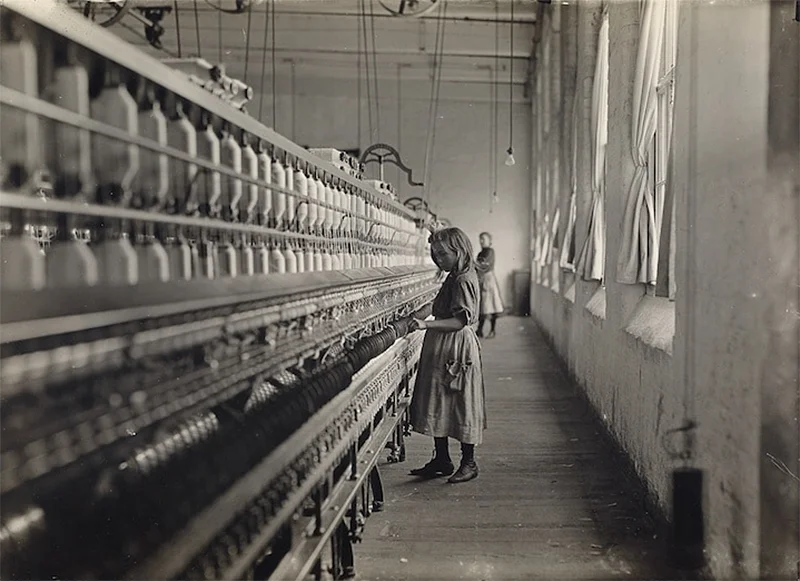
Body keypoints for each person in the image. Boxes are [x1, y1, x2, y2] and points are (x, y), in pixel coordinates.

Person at [408, 227, 486, 484]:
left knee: (461, 401)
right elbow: (441, 305)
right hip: (442, 345)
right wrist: (420, 312)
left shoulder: (464, 279)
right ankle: (441, 459)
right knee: (438, 400)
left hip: (455, 345)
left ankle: (469, 462)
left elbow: (460, 321)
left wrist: (425, 325)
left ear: (459, 250)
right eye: (434, 254)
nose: (438, 259)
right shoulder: (455, 275)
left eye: (443, 254)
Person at [475, 232, 504, 338]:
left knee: (491, 305)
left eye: (483, 239)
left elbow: (484, 265)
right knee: (483, 305)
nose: (481, 241)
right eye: (480, 239)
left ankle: (492, 330)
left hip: (488, 279)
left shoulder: (490, 252)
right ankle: (480, 330)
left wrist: (475, 265)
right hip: (482, 279)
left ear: (489, 241)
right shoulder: (480, 253)